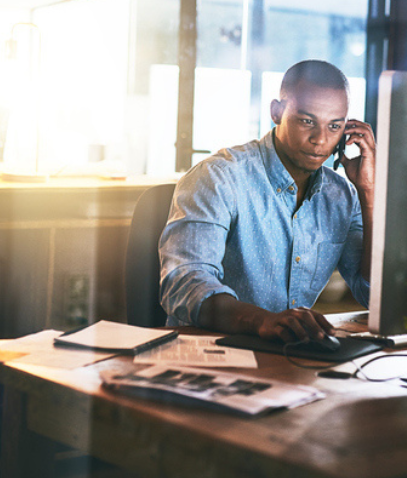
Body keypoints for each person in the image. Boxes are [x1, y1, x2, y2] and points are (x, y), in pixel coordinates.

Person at [159, 60, 375, 343]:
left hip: (288, 358)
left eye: (334, 126)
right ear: (277, 112)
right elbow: (185, 284)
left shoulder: (342, 196)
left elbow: (372, 294)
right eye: (307, 121)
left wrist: (368, 193)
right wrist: (265, 321)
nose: (320, 139)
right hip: (209, 353)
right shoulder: (220, 177)